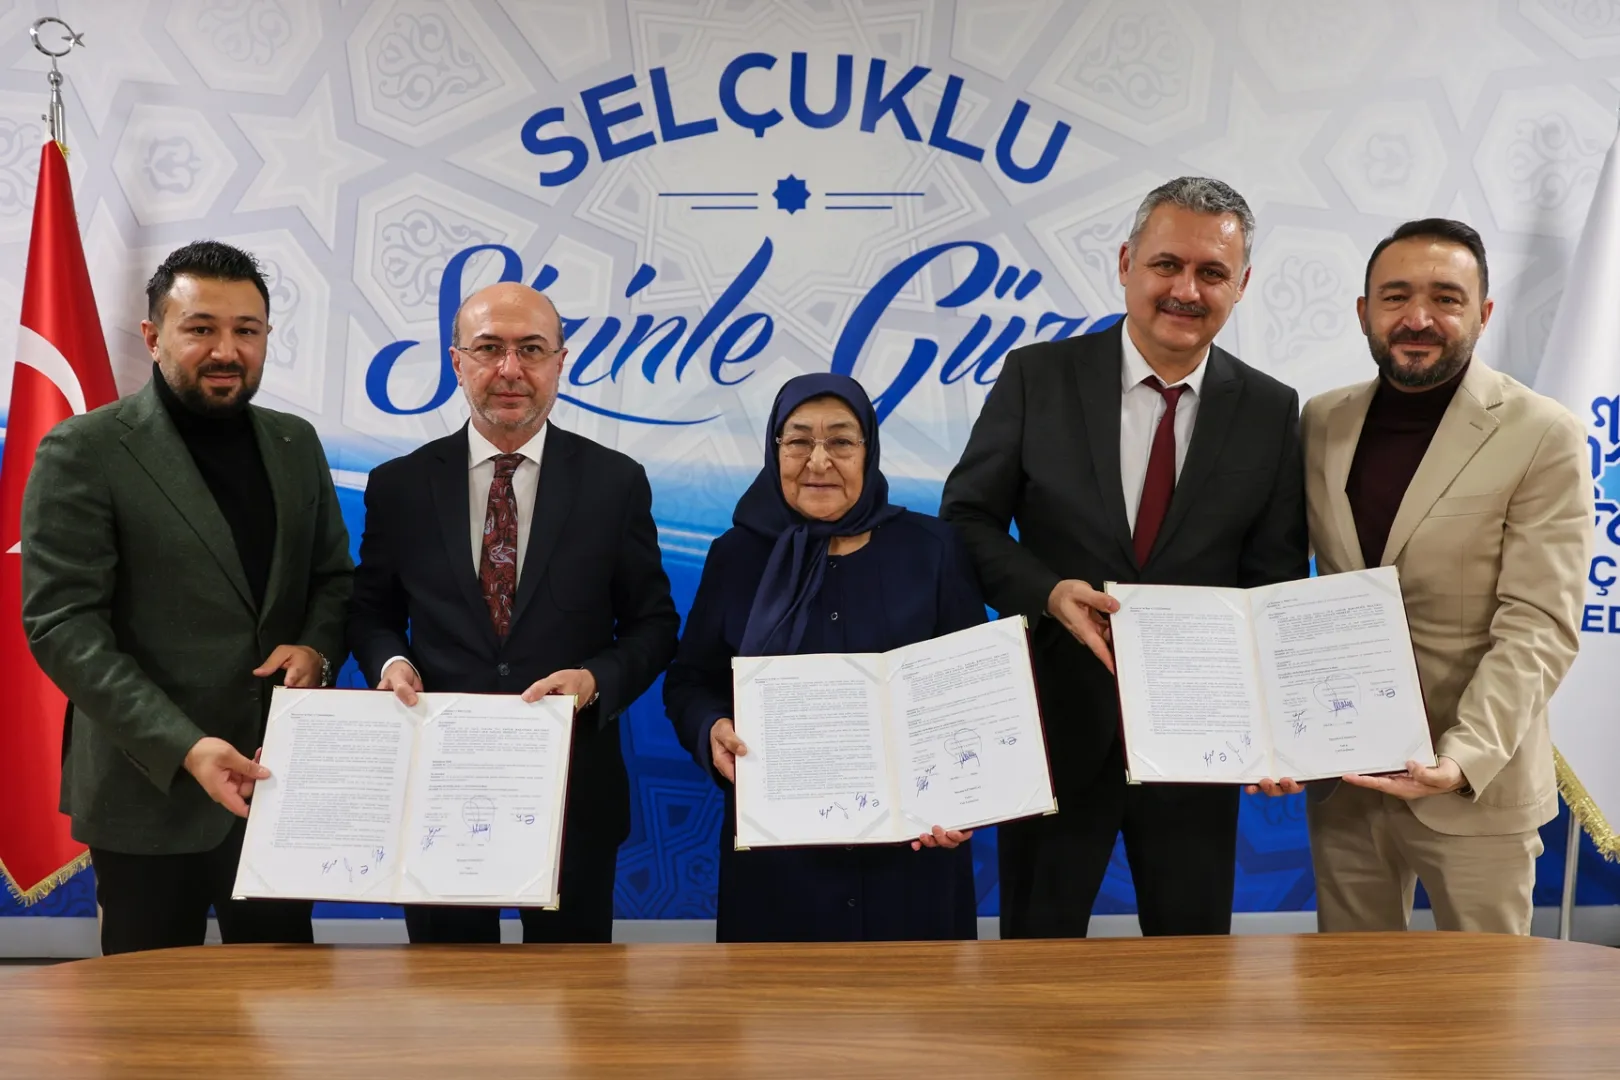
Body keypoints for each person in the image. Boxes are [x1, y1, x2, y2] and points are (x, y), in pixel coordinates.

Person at [940, 177, 1309, 939]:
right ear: (1125, 264)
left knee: (1192, 964)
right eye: (1166, 264)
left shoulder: (1272, 409)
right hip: (1054, 727)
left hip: (1199, 745)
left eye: (1211, 272)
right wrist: (1048, 593)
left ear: (1242, 285)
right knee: (1037, 964)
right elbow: (966, 521)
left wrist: (1276, 730)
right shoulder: (1037, 377)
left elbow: (1271, 582)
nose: (1186, 290)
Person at [1250, 219, 1590, 935]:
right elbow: (1285, 595)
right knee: (1353, 991)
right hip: (1345, 781)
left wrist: (1462, 758)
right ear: (1363, 311)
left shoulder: (1541, 432)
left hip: (1472, 785)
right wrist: (1272, 732)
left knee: (1487, 996)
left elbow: (1540, 624)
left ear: (1483, 313)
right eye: (1396, 296)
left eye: (1446, 298)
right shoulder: (1323, 420)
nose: (1418, 317)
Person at [20, 241, 353, 955]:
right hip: (148, 790)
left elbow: (332, 578)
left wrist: (317, 649)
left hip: (277, 785)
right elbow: (63, 625)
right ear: (153, 336)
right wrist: (185, 746)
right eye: (201, 328)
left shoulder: (295, 442)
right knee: (148, 1010)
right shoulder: (83, 449)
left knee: (281, 1004)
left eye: (246, 330)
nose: (226, 350)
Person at [348, 281, 678, 944]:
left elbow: (654, 623)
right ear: (456, 362)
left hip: (571, 793)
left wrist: (595, 680)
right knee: (445, 993)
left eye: (531, 349)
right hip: (438, 793)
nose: (510, 369)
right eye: (488, 349)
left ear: (561, 362)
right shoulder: (400, 485)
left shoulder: (615, 483)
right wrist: (391, 662)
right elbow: (370, 612)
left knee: (574, 997)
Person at [664, 374, 986, 942]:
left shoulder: (932, 549)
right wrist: (712, 727)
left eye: (840, 441)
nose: (819, 461)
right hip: (781, 864)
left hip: (912, 855)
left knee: (920, 1000)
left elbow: (973, 689)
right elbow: (690, 681)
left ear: (868, 451)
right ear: (775, 450)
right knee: (781, 999)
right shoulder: (736, 556)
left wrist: (967, 797)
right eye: (798, 441)